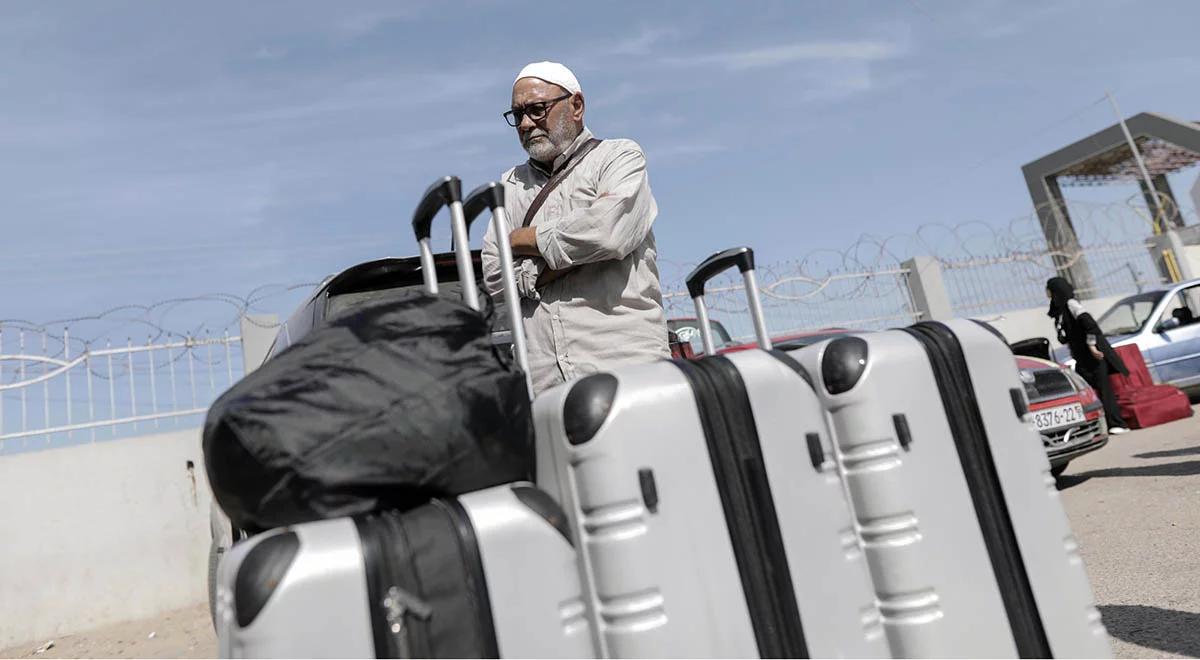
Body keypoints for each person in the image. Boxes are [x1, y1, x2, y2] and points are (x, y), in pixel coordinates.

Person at [481, 61, 669, 394]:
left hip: (625, 365)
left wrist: (524, 242)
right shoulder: (508, 187)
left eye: (537, 110)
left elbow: (609, 233)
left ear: (576, 105)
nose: (526, 124)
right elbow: (495, 275)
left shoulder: (618, 158)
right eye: (517, 115)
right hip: (542, 381)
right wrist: (574, 253)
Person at [1046, 277, 1131, 434]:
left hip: (1094, 356)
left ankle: (1117, 424)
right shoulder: (1060, 310)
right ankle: (1092, 426)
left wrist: (1091, 345)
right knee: (1083, 391)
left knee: (1105, 391)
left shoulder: (1072, 304)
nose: (1047, 293)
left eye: (1049, 289)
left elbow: (1090, 324)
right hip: (1082, 358)